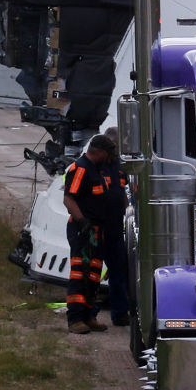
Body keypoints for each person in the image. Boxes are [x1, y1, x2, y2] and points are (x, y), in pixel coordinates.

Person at [62, 134, 130, 334]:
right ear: (99, 152)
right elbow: (69, 199)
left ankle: (89, 316)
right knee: (79, 274)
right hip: (83, 231)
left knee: (93, 276)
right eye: (108, 154)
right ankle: (75, 319)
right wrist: (82, 221)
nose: (110, 159)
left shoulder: (98, 170)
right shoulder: (80, 169)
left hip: (99, 231)